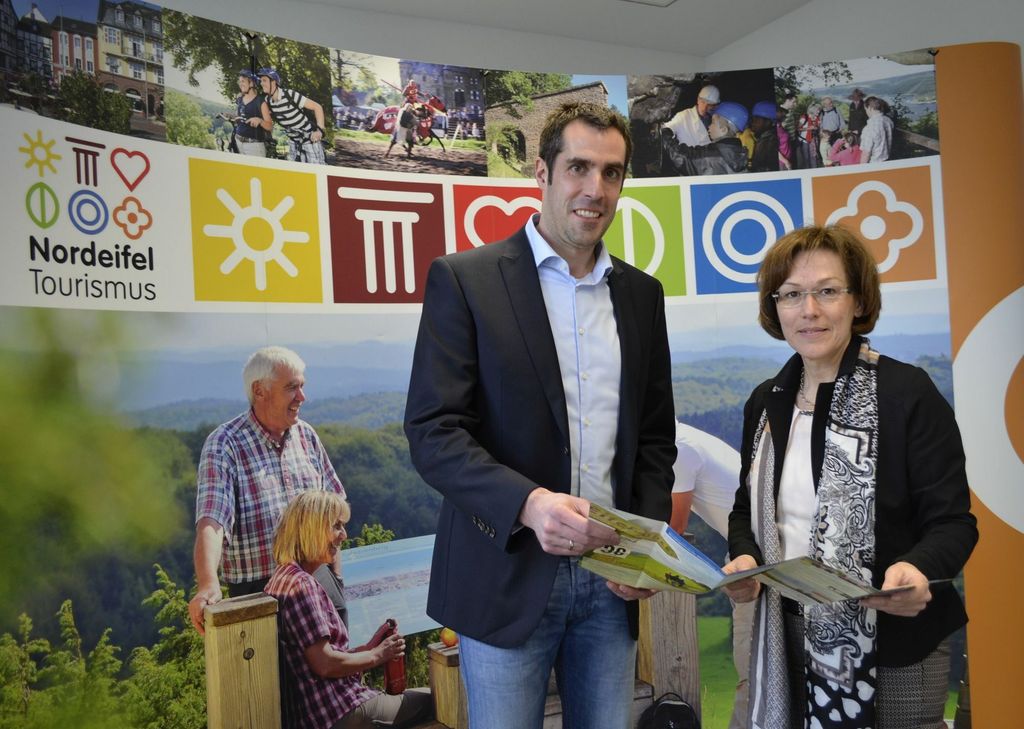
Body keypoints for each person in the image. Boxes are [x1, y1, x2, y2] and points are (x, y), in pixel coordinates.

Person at [404, 101, 677, 729]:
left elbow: (655, 440)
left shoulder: (642, 296)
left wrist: (645, 548)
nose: (594, 188)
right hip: (504, 575)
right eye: (578, 166)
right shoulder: (466, 280)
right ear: (542, 172)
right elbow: (434, 431)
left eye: (611, 173)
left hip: (612, 582)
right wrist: (530, 505)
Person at [723, 225, 978, 729]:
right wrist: (745, 556)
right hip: (785, 635)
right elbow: (743, 509)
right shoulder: (766, 400)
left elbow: (953, 522)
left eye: (827, 291)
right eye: (792, 294)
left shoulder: (906, 392)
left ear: (858, 301)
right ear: (775, 308)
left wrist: (918, 568)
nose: (809, 310)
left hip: (895, 645)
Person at [188, 346, 348, 634]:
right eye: (292, 388)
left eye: (302, 386)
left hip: (319, 582)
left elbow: (334, 510)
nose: (302, 397)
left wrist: (336, 579)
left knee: (338, 674)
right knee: (271, 679)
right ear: (259, 391)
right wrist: (208, 583)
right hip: (260, 592)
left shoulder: (307, 436)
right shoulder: (225, 444)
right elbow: (212, 521)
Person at [265, 491, 433, 729]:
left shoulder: (283, 578)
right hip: (335, 711)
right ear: (311, 529)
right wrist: (378, 655)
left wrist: (368, 648)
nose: (343, 535)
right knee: (435, 698)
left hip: (315, 711)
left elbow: (319, 653)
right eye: (336, 526)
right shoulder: (302, 586)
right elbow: (324, 664)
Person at [669, 422, 753, 729]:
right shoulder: (688, 438)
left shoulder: (678, 447)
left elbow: (673, 527)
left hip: (754, 561)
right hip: (757, 552)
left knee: (751, 670)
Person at [258, 67, 327, 164]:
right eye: (261, 81)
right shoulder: (268, 101)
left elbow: (317, 107)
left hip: (309, 139)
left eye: (264, 80)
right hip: (293, 143)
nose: (261, 83)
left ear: (273, 82)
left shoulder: (289, 94)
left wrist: (319, 130)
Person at [661, 100, 749, 176]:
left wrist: (664, 133)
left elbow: (682, 158)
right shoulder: (740, 153)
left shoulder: (714, 157)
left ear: (723, 129)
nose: (709, 127)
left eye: (713, 123)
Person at [232, 69, 272, 157]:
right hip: (238, 141)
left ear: (251, 83)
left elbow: (269, 126)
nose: (240, 84)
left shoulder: (260, 102)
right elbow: (240, 116)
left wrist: (260, 121)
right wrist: (236, 118)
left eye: (243, 81)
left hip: (254, 146)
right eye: (239, 81)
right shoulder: (239, 99)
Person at [860, 95, 894, 163]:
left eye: (865, 109)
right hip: (887, 161)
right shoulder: (888, 121)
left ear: (869, 108)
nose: (866, 112)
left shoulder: (869, 128)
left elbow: (866, 154)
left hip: (874, 164)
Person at [748, 101, 780, 173]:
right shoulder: (763, 138)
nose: (753, 123)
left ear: (769, 122)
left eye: (757, 120)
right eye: (753, 119)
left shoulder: (772, 142)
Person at [818, 96, 845, 165]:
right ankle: (830, 164)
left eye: (831, 102)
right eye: (829, 103)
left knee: (839, 149)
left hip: (837, 133)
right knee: (828, 151)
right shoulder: (822, 112)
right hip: (827, 135)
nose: (831, 104)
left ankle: (839, 163)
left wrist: (841, 129)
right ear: (825, 104)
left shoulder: (837, 110)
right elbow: (820, 124)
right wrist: (821, 133)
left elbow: (842, 120)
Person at [796, 102, 821, 169]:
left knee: (813, 157)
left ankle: (814, 170)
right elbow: (798, 128)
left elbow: (818, 127)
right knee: (806, 157)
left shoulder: (817, 118)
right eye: (817, 110)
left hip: (813, 140)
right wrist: (808, 128)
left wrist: (817, 128)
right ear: (813, 110)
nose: (819, 111)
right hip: (804, 140)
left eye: (819, 110)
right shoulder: (804, 117)